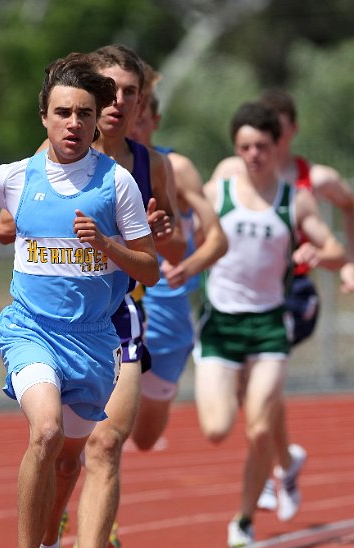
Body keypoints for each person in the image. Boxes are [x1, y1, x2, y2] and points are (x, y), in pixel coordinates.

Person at [0, 52, 160, 548]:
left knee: (70, 461)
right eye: (63, 112)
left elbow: (150, 270)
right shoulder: (16, 176)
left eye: (84, 114)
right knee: (43, 432)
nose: (73, 123)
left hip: (93, 342)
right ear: (44, 116)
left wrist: (110, 247)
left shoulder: (116, 184)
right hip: (30, 330)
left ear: (97, 122)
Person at [0, 45, 184, 548]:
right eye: (111, 90)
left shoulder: (150, 167)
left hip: (118, 315)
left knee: (103, 442)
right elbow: (7, 225)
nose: (118, 102)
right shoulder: (51, 151)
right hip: (51, 320)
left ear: (138, 102)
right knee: (56, 441)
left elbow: (167, 253)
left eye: (130, 92)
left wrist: (152, 232)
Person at [165, 101, 347, 548]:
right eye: (244, 146)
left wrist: (318, 255)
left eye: (261, 146)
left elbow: (335, 249)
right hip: (221, 324)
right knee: (216, 428)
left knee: (261, 425)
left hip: (269, 325)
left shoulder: (294, 198)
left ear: (277, 145)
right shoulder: (218, 191)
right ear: (236, 149)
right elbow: (184, 226)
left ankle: (244, 517)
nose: (253, 155)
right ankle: (285, 463)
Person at [210, 89, 354, 522]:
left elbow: (349, 205)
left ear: (290, 130)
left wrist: (347, 262)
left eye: (275, 126)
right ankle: (285, 460)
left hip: (293, 293)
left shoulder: (315, 177)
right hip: (238, 298)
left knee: (263, 384)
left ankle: (279, 464)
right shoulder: (233, 170)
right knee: (246, 391)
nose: (262, 141)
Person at [128, 63, 227, 451]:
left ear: (155, 121)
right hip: (120, 305)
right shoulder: (98, 167)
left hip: (168, 313)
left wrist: (189, 262)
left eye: (140, 122)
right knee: (103, 431)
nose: (130, 129)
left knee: (146, 437)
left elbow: (216, 237)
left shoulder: (176, 168)